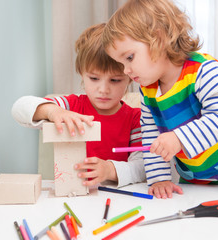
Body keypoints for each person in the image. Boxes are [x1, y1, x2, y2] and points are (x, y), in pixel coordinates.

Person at [102, 0, 218, 199]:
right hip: (195, 173)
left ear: (158, 38)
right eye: (121, 64)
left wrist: (178, 138)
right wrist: (159, 179)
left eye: (129, 58)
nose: (126, 71)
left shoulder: (205, 70)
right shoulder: (148, 91)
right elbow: (151, 138)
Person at [12, 23, 145, 188]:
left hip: (116, 196)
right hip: (72, 193)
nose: (103, 90)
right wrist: (53, 111)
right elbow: (19, 108)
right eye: (94, 78)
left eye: (115, 80)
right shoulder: (70, 106)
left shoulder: (136, 118)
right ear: (82, 74)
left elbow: (143, 166)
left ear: (130, 77)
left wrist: (109, 170)